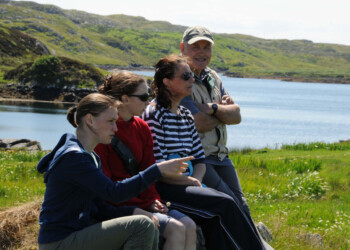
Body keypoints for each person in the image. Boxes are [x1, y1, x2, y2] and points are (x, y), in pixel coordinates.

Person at [36, 93, 192, 250]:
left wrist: (133, 211)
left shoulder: (90, 156)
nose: (116, 128)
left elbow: (99, 207)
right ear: (90, 120)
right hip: (58, 242)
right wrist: (157, 170)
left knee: (145, 222)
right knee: (142, 225)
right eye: (111, 121)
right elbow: (114, 193)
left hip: (77, 234)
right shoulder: (74, 157)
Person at [142, 55, 265, 250]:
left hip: (189, 184)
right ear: (166, 82)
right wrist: (189, 182)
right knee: (225, 203)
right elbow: (158, 166)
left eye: (191, 75)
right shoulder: (153, 114)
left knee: (218, 217)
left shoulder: (186, 116)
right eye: (185, 76)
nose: (192, 79)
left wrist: (196, 181)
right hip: (167, 189)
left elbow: (199, 158)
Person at [179, 26, 273, 250]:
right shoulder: (180, 77)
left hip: (221, 156)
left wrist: (210, 108)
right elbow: (196, 123)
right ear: (183, 48)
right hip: (198, 158)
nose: (202, 52)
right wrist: (222, 112)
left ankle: (255, 246)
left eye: (206, 47)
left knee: (241, 205)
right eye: (195, 47)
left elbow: (236, 116)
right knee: (229, 204)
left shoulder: (213, 76)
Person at [94, 71, 197, 250]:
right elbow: (108, 189)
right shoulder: (104, 131)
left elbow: (148, 170)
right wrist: (144, 205)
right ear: (125, 99)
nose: (149, 101)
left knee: (190, 225)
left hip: (142, 203)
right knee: (176, 228)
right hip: (121, 206)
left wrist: (154, 200)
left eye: (149, 95)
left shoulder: (142, 128)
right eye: (143, 97)